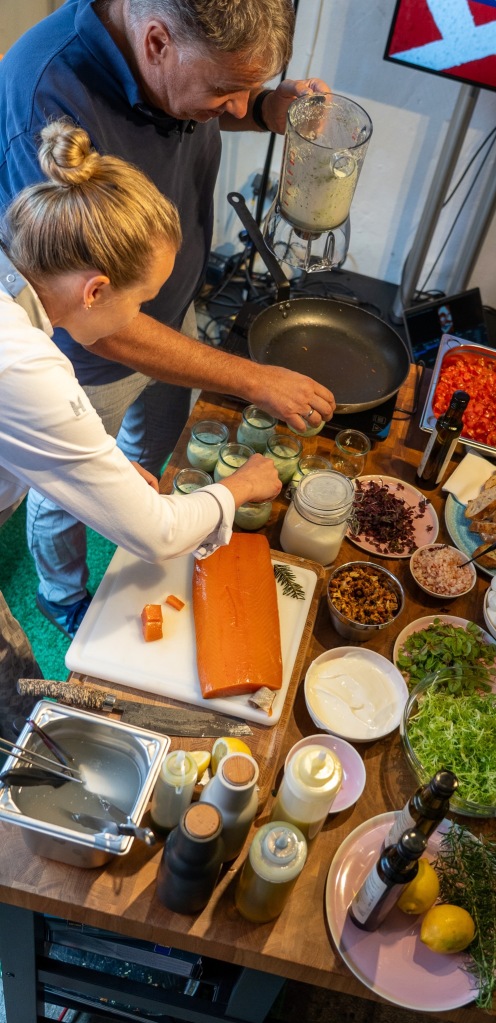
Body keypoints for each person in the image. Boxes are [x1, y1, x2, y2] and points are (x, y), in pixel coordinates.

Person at [0, 0, 335, 637]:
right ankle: (61, 598)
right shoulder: (42, 96)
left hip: (72, 352)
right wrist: (237, 483)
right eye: (225, 88)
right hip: (87, 363)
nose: (237, 105)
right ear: (157, 42)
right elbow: (156, 532)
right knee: (58, 500)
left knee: (109, 468)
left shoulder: (45, 299)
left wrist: (264, 107)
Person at [0, 118, 282, 738]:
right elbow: (157, 533)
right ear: (96, 291)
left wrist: (94, 465)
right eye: (142, 301)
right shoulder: (25, 366)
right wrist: (240, 487)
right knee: (18, 705)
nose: (144, 314)